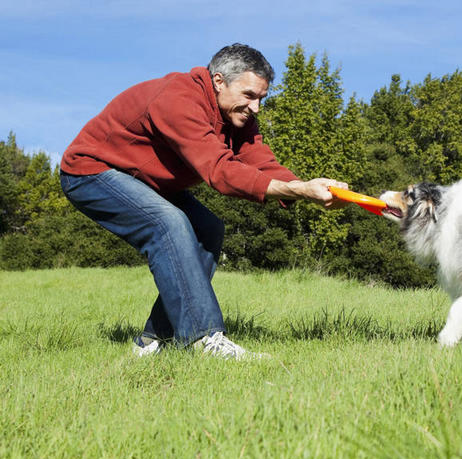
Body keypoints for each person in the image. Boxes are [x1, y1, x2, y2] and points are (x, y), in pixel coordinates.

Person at [60, 43, 349, 359]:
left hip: (144, 180)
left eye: (261, 99)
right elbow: (220, 172)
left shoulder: (236, 116)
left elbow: (258, 159)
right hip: (91, 172)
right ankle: (204, 339)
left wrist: (303, 186)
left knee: (208, 230)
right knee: (167, 223)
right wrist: (299, 191)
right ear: (219, 81)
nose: (256, 108)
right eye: (249, 96)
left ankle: (153, 341)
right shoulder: (178, 99)